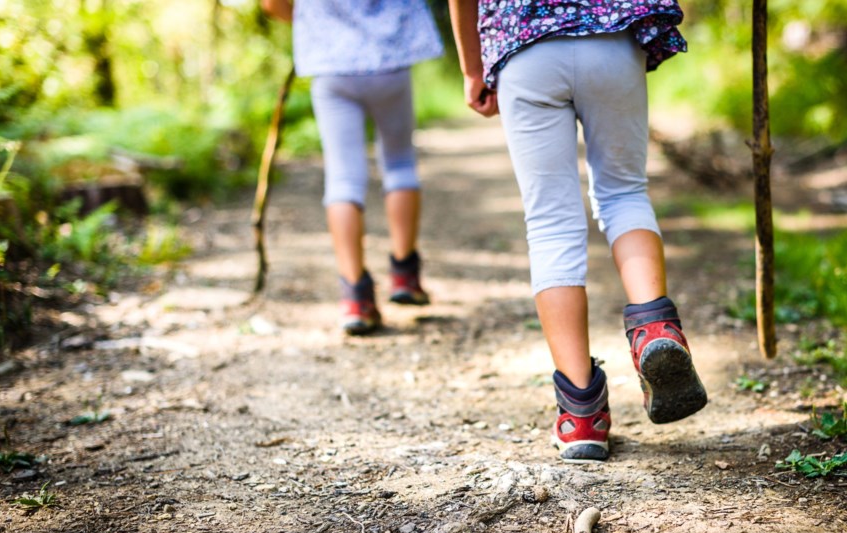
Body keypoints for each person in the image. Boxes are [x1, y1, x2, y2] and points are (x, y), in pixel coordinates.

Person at [448, 0, 708, 462]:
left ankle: (581, 413)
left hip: (524, 47)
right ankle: (654, 328)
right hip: (612, 38)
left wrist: (474, 69)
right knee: (624, 193)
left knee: (550, 223)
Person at [261, 0, 443, 335]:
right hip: (391, 59)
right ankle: (405, 274)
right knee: (400, 163)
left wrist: (312, 21)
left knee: (343, 178)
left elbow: (272, 4)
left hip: (332, 64)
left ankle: (355, 297)